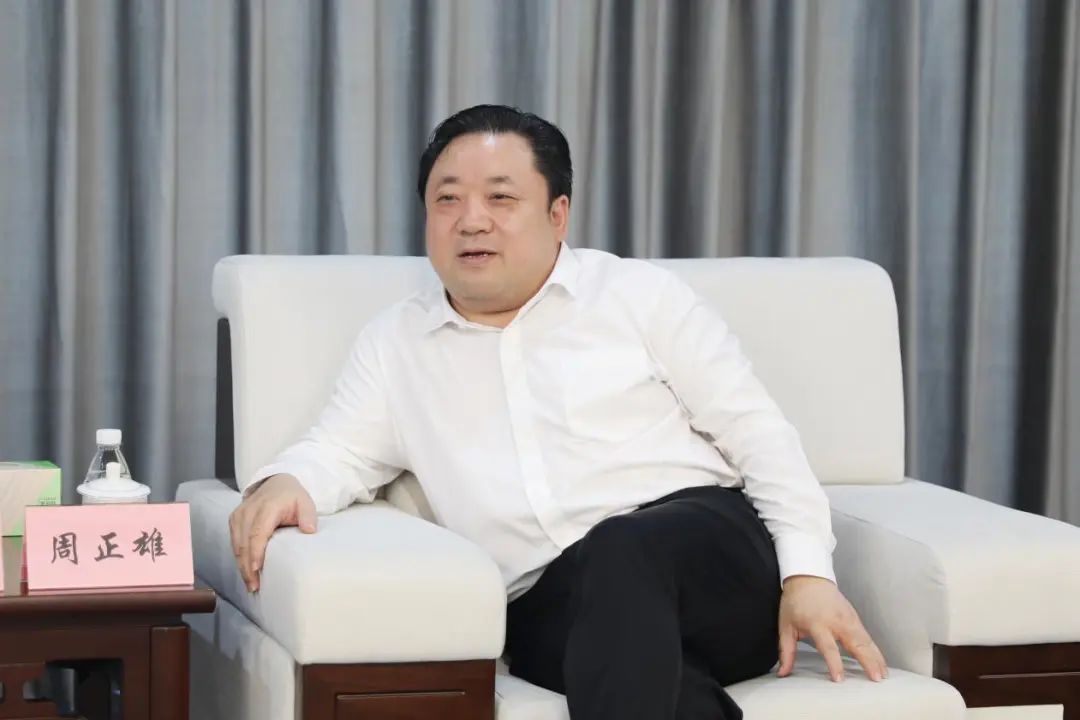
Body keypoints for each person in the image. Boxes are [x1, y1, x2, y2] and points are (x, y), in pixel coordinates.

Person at [229, 104, 886, 719]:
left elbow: (757, 432)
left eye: (501, 198)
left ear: (558, 214)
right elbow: (340, 450)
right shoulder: (395, 343)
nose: (471, 220)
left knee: (621, 552)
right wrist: (288, 479)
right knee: (656, 682)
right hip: (551, 603)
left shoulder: (637, 296)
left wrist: (808, 574)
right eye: (447, 199)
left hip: (704, 558)